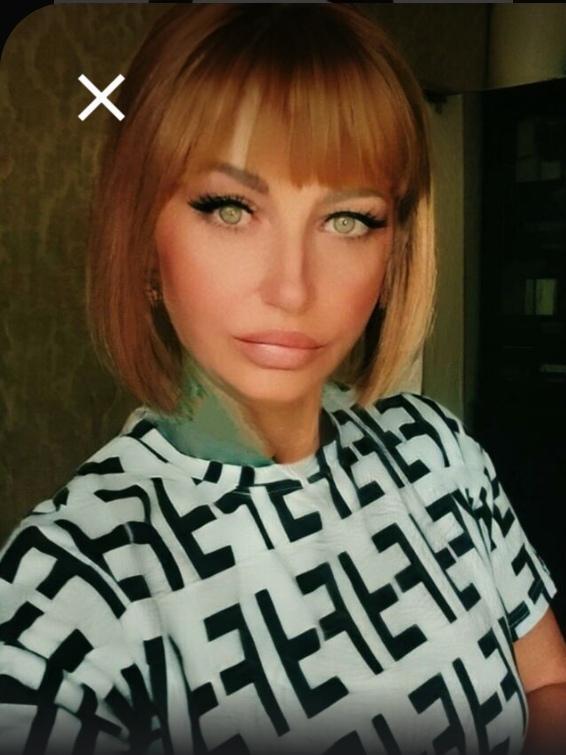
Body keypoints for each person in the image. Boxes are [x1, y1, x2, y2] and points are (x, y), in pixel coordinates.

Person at [1, 4, 565, 754]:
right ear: (141, 238)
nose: (293, 289)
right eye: (231, 208)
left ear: (395, 249)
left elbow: (548, 681)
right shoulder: (66, 588)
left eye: (349, 219)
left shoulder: (437, 451)